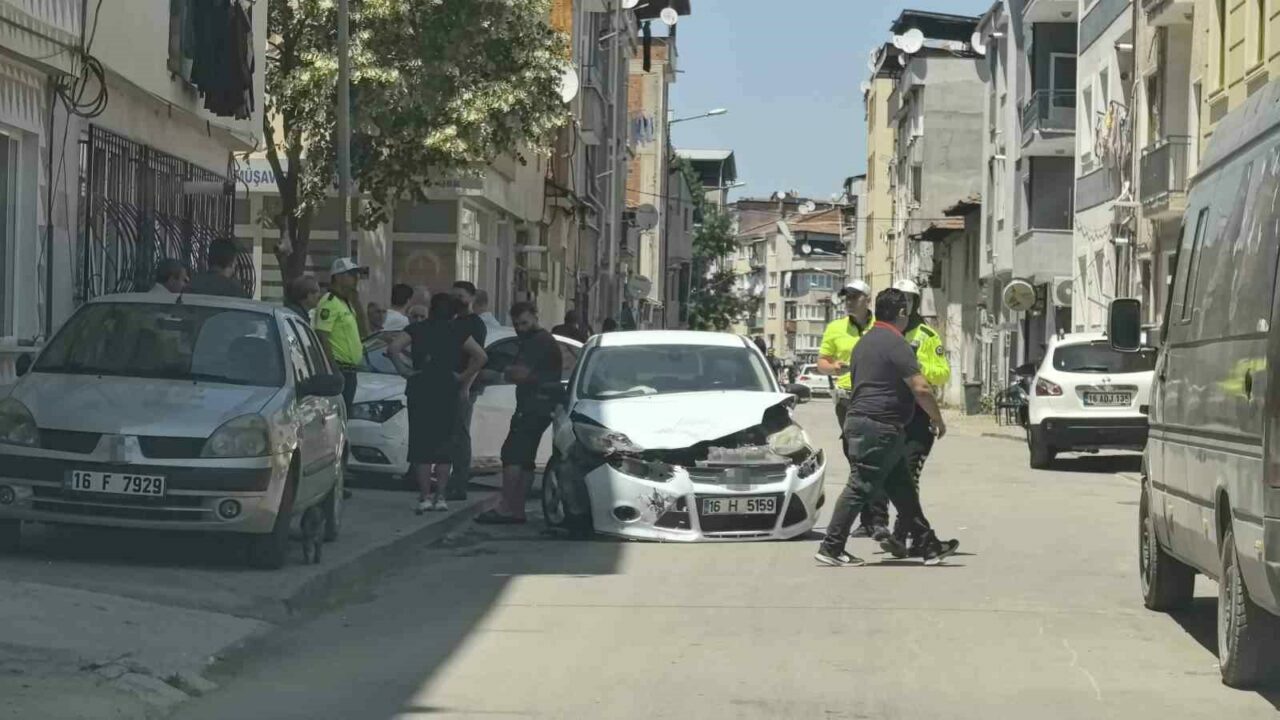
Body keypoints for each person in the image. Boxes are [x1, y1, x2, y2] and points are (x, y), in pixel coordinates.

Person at [814, 288, 958, 567]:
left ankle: (928, 545)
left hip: (866, 424)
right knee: (859, 486)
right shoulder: (896, 343)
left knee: (902, 487)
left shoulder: (864, 343)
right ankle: (831, 546)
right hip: (878, 427)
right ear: (902, 314)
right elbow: (920, 386)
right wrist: (938, 420)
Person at [873, 278, 953, 556]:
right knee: (885, 475)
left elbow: (943, 373)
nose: (903, 305)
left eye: (908, 299)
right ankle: (887, 527)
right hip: (890, 414)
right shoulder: (884, 334)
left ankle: (901, 534)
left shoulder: (928, 336)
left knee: (909, 475)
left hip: (919, 416)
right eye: (899, 298)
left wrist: (919, 365)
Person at [387, 293, 487, 514]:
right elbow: (481, 356)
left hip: (421, 388)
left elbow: (392, 348)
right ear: (453, 312)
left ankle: (424, 497)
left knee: (421, 445)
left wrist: (405, 370)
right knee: (445, 445)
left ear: (431, 309)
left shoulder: (417, 329)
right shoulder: (459, 331)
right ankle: (441, 497)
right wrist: (463, 377)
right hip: (447, 390)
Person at [475, 303, 562, 524]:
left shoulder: (538, 341)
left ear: (535, 317)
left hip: (534, 405)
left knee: (512, 455)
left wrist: (502, 373)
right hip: (539, 405)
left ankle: (508, 507)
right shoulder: (535, 340)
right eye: (516, 324)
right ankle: (517, 509)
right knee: (524, 459)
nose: (520, 328)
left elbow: (521, 373)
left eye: (524, 322)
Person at [817, 280, 875, 533]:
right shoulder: (835, 328)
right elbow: (822, 362)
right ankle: (868, 519)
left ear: (867, 299)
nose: (849, 302)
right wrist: (833, 368)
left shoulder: (880, 326)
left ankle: (875, 518)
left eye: (854, 297)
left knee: (876, 456)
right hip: (847, 398)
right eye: (846, 298)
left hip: (875, 395)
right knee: (856, 457)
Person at [448, 281, 488, 502]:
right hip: (451, 384)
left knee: (460, 435)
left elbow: (478, 357)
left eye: (461, 296)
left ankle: (459, 484)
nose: (457, 300)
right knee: (452, 434)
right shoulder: (453, 321)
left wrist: (465, 384)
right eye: (453, 296)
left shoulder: (475, 324)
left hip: (465, 386)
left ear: (471, 298)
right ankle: (450, 481)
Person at [314, 258, 368, 414]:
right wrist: (334, 370)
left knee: (345, 417)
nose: (356, 278)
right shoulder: (329, 302)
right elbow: (322, 336)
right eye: (351, 274)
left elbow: (365, 332)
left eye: (356, 274)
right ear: (337, 277)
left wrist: (357, 301)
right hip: (339, 369)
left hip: (350, 371)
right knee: (337, 417)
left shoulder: (346, 303)